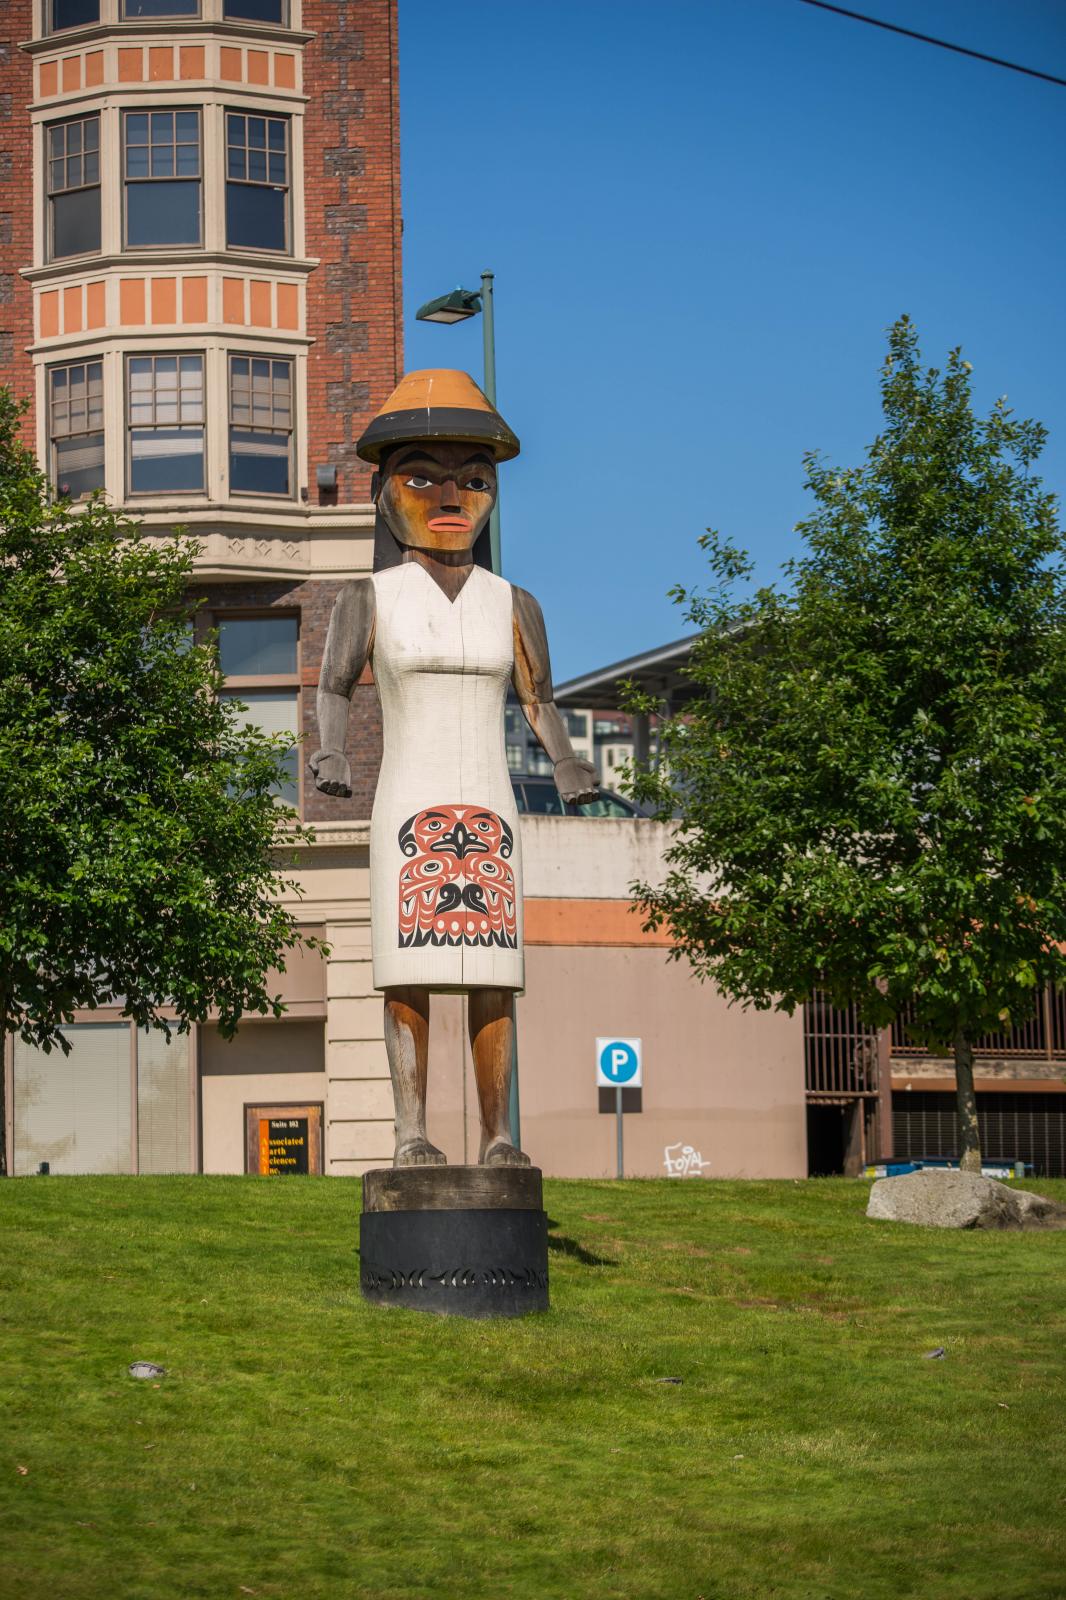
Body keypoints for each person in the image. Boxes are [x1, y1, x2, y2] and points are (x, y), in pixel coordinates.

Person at [311, 370, 597, 1167]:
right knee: (408, 970)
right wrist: (329, 750)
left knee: (493, 974)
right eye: (423, 475)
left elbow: (539, 699)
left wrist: (568, 765)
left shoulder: (512, 602)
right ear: (385, 494)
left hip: (488, 804)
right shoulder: (372, 597)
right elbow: (333, 685)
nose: (450, 495)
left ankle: (499, 1134)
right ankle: (411, 1131)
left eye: (473, 479)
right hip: (409, 798)